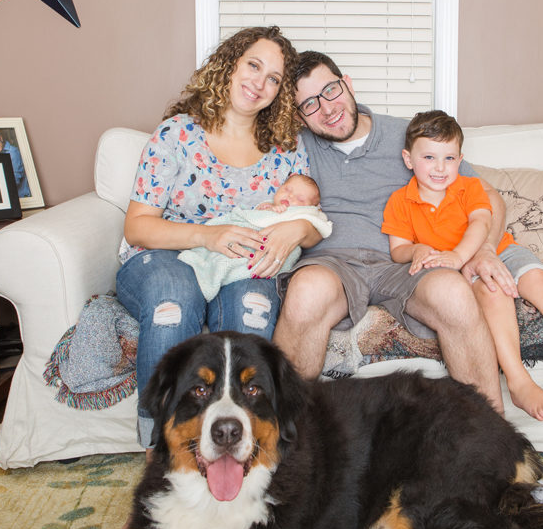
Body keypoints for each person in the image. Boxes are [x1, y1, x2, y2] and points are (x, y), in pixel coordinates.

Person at [274, 50, 514, 413]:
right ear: (298, 115)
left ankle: (493, 436)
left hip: (405, 263)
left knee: (453, 292)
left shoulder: (408, 137)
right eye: (309, 104)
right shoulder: (296, 148)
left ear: (347, 84)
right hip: (332, 265)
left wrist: (485, 249)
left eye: (330, 91)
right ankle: (280, 434)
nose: (327, 108)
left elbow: (489, 196)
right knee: (306, 291)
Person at [116, 26, 318, 449]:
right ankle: (159, 443)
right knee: (174, 302)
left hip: (241, 264)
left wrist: (298, 228)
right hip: (166, 254)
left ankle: (237, 440)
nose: (259, 83)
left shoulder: (286, 148)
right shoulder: (176, 134)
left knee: (251, 311)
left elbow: (312, 217)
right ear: (230, 65)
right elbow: (137, 226)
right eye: (253, 65)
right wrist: (208, 237)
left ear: (279, 93)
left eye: (273, 78)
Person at [382, 111, 543, 420]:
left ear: (460, 160)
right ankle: (519, 380)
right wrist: (416, 249)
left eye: (449, 158)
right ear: (408, 159)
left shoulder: (469, 187)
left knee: (538, 280)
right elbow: (397, 250)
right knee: (493, 292)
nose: (440, 168)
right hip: (460, 271)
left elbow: (481, 224)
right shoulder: (400, 201)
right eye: (429, 157)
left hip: (499, 251)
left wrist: (460, 255)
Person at [177, 174, 332, 301]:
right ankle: (208, 266)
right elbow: (252, 217)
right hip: (241, 237)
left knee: (231, 264)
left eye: (300, 199)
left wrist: (299, 223)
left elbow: (321, 227)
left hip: (267, 253)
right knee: (221, 253)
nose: (290, 196)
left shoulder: (306, 214)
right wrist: (266, 208)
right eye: (287, 189)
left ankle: (218, 273)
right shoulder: (269, 205)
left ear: (310, 207)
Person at [0, 130, 30, 197]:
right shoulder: (1, 154)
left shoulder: (12, 152)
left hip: (23, 195)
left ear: (1, 138)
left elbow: (15, 178)